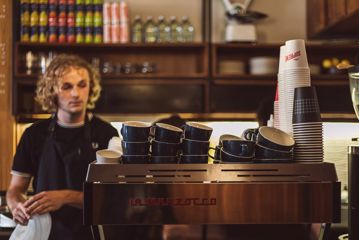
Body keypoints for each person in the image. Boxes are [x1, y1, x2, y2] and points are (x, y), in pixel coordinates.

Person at [6, 54, 119, 239]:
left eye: (82, 85)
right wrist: (17, 206)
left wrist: (65, 197)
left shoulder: (107, 135)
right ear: (52, 91)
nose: (76, 93)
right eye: (67, 86)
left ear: (90, 88)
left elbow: (110, 198)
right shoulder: (34, 134)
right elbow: (15, 190)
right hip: (45, 233)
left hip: (90, 234)